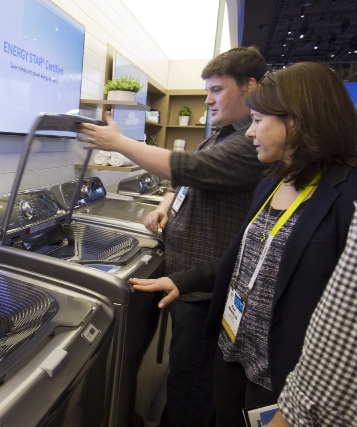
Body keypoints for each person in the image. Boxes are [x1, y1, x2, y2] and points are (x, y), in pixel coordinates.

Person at [133, 61, 357, 427]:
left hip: (285, 381)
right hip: (234, 353)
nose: (250, 132)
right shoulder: (272, 183)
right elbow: (243, 259)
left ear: (298, 120)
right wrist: (183, 280)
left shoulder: (346, 200)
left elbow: (345, 331)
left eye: (258, 120)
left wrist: (298, 408)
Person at [78, 47, 268, 427]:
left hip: (205, 293)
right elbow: (186, 179)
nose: (208, 99)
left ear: (249, 87)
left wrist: (120, 143)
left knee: (191, 390)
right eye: (207, 91)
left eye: (217, 90)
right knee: (184, 380)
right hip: (186, 281)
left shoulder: (249, 143)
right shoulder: (220, 136)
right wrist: (167, 205)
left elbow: (192, 167)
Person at [264, 202, 357, 426]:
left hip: (283, 371)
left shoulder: (345, 196)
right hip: (237, 343)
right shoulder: (270, 185)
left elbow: (338, 346)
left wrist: (292, 411)